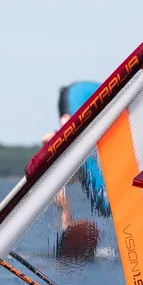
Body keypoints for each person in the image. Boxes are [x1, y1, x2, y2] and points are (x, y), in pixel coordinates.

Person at [42, 82, 110, 260]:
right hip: (67, 172)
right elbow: (45, 138)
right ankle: (66, 232)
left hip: (84, 168)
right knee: (62, 197)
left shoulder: (86, 136)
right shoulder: (57, 134)